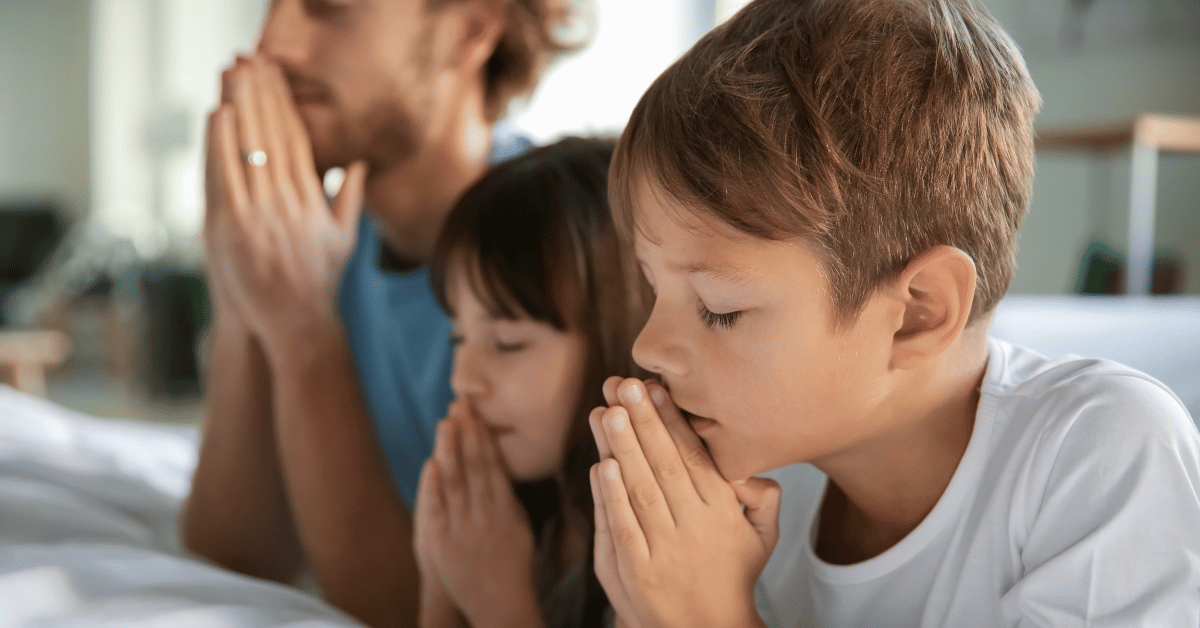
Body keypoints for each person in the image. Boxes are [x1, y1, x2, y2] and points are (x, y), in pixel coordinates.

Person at [585, 0, 1200, 627]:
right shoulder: (745, 493)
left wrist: (709, 616)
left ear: (918, 314)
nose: (648, 347)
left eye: (719, 309)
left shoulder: (1099, 454)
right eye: (652, 287)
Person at [181, 1, 585, 626]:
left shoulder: (562, 259)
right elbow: (238, 553)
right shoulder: (322, 238)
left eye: (330, 9)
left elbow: (411, 610)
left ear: (472, 28)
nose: (273, 44)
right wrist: (243, 282)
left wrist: (303, 334)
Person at [415, 137, 646, 628]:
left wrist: (496, 602)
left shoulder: (652, 554)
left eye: (507, 343)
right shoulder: (522, 513)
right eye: (459, 338)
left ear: (622, 339)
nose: (463, 379)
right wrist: (440, 572)